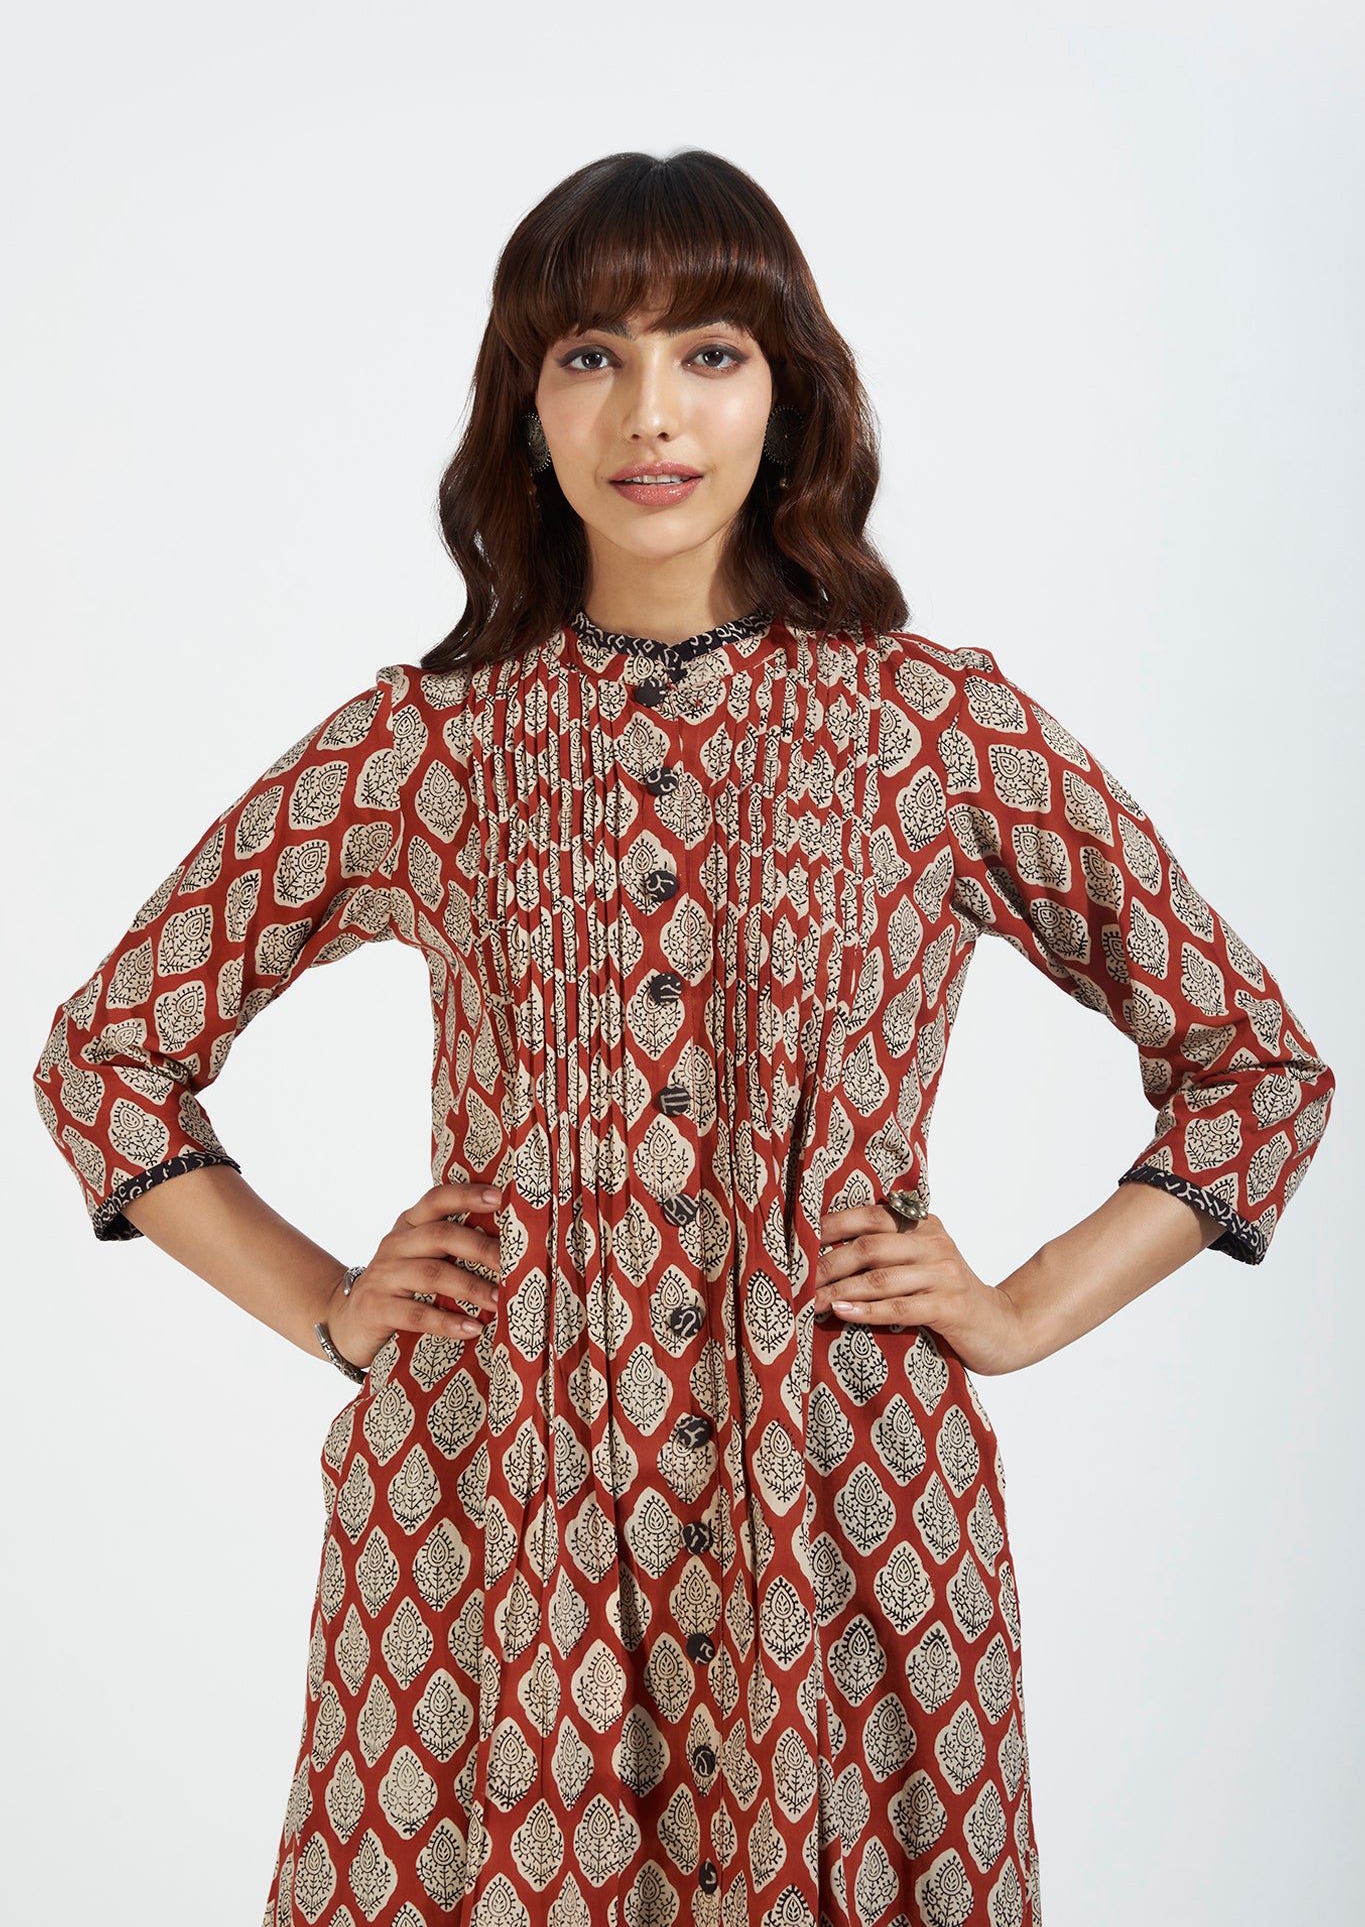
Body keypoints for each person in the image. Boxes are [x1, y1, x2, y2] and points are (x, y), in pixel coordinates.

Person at [33, 149, 1334, 1927]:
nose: (650, 413)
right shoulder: (425, 746)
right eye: (591, 355)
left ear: (785, 392)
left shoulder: (932, 728)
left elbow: (1252, 1068)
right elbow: (108, 1054)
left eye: (708, 352)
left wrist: (1023, 1310)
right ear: (525, 405)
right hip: (491, 1526)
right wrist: (329, 1306)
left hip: (845, 1509)